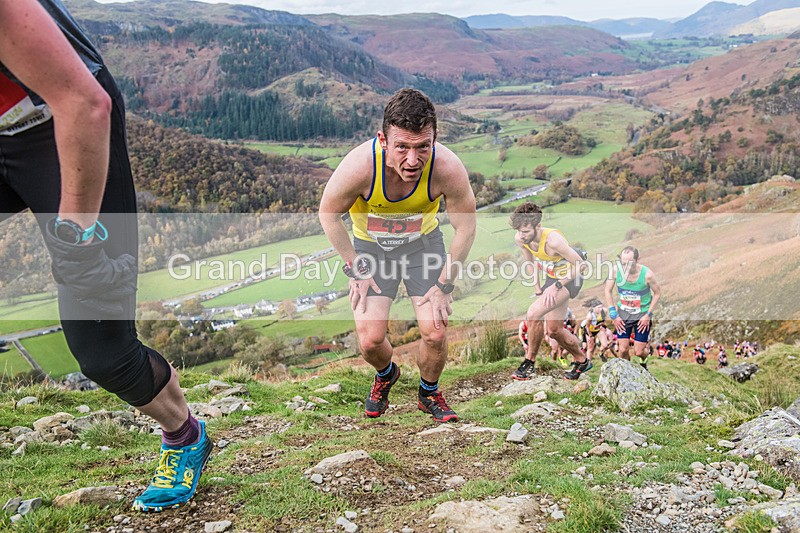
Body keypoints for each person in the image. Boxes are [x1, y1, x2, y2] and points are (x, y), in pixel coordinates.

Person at [0, 0, 211, 512]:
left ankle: (185, 435)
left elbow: (84, 103)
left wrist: (77, 243)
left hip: (59, 128)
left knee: (103, 353)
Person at [319, 88, 476, 423]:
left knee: (435, 331)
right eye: (402, 146)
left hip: (422, 247)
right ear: (383, 140)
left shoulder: (447, 168)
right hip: (372, 250)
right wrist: (357, 268)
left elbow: (466, 227)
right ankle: (386, 374)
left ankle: (428, 393)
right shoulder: (360, 167)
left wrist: (445, 285)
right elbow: (328, 215)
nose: (413, 160)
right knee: (370, 341)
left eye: (423, 147)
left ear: (435, 139)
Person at [508, 202, 590, 380]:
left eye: (525, 231)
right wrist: (537, 288)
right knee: (553, 330)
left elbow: (581, 266)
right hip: (552, 277)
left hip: (571, 277)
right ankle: (582, 360)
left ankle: (529, 363)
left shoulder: (553, 241)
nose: (521, 236)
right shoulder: (521, 239)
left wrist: (558, 285)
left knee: (533, 313)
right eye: (519, 231)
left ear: (538, 226)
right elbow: (530, 262)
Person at [604, 246, 662, 371]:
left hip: (642, 314)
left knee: (639, 352)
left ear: (637, 259)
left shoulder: (647, 275)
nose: (626, 267)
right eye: (623, 263)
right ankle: (627, 372)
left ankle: (644, 360)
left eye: (630, 263)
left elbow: (657, 293)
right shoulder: (616, 271)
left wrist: (648, 315)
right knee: (623, 349)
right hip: (623, 313)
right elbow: (608, 290)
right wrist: (614, 314)